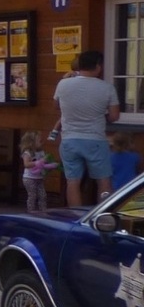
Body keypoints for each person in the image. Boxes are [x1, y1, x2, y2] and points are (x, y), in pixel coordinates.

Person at [52, 50, 121, 206]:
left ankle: (75, 216)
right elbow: (114, 116)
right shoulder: (107, 88)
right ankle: (102, 217)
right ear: (97, 66)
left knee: (73, 181)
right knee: (103, 181)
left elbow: (56, 105)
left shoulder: (63, 84)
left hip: (69, 139)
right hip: (95, 139)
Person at [20, 132, 52, 213]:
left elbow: (43, 164)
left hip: (39, 177)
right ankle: (31, 211)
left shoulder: (41, 152)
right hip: (29, 178)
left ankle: (43, 211)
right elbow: (26, 164)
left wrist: (48, 164)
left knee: (43, 195)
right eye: (39, 141)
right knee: (32, 195)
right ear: (31, 143)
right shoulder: (27, 153)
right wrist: (36, 162)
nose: (41, 142)